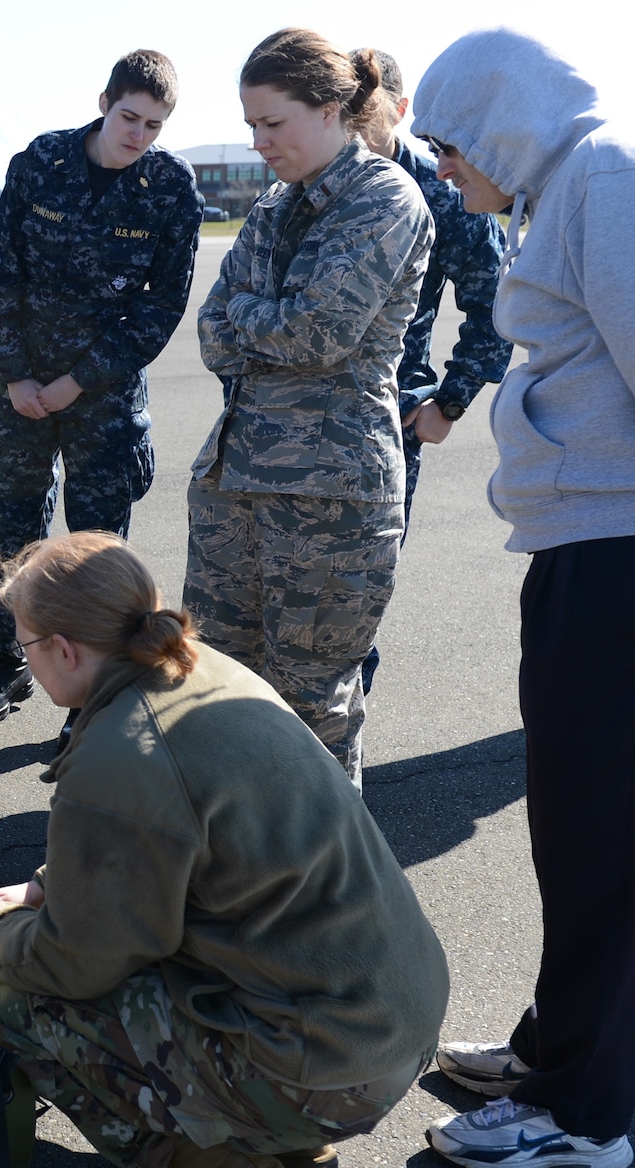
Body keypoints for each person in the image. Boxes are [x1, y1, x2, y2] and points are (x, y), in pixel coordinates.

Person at [410, 29, 635, 1168]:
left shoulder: (609, 174)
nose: (441, 167)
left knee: (617, 835)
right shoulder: (577, 177)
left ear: (501, 117)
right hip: (604, 544)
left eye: (447, 141)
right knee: (582, 827)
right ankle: (556, 1046)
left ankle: (580, 1111)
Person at [0, 531, 447, 1168]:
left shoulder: (120, 753)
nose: (21, 657)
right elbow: (177, 844)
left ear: (63, 648)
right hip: (387, 1018)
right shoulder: (199, 667)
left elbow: (75, 963)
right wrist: (44, 885)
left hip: (330, 1060)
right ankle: (288, 1135)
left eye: (23, 644)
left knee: (26, 1007)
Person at [184, 30, 433, 786]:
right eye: (251, 124)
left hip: (330, 495)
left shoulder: (385, 198)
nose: (259, 141)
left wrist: (259, 317)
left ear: (330, 111)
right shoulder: (271, 206)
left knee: (311, 710)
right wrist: (267, 317)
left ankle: (327, 894)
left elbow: (315, 332)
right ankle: (240, 879)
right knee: (217, 692)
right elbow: (212, 332)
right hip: (236, 483)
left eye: (273, 123)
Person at [0, 50, 203, 728]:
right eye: (130, 117)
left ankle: (98, 688)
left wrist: (76, 381)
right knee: (16, 531)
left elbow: (161, 309)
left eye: (155, 125)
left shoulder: (170, 188)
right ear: (104, 101)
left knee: (100, 549)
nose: (138, 135)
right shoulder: (41, 162)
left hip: (102, 399)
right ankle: (10, 661)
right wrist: (17, 375)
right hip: (20, 393)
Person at [351, 49, 512, 694]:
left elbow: (493, 305)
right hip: (296, 422)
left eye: (365, 115)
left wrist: (450, 403)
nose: (353, 132)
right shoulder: (314, 184)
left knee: (360, 591)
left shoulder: (442, 192)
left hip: (391, 420)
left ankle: (334, 759)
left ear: (399, 108)